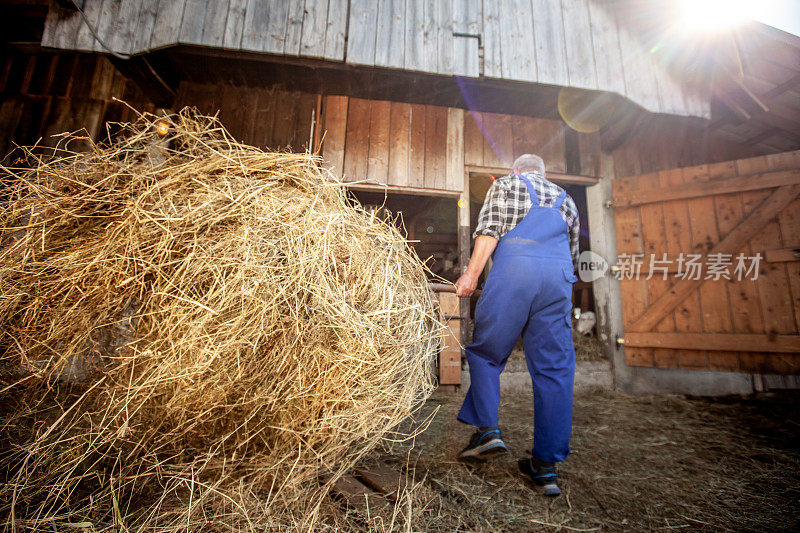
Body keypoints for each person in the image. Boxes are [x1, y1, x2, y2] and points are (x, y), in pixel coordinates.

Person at [454, 153, 579, 497]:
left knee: (486, 354)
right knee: (555, 371)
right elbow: (572, 252)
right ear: (544, 173)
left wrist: (471, 275)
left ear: (516, 170)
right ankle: (545, 469)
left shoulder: (506, 186)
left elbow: (489, 231)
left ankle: (488, 431)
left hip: (514, 273)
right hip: (557, 282)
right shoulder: (566, 199)